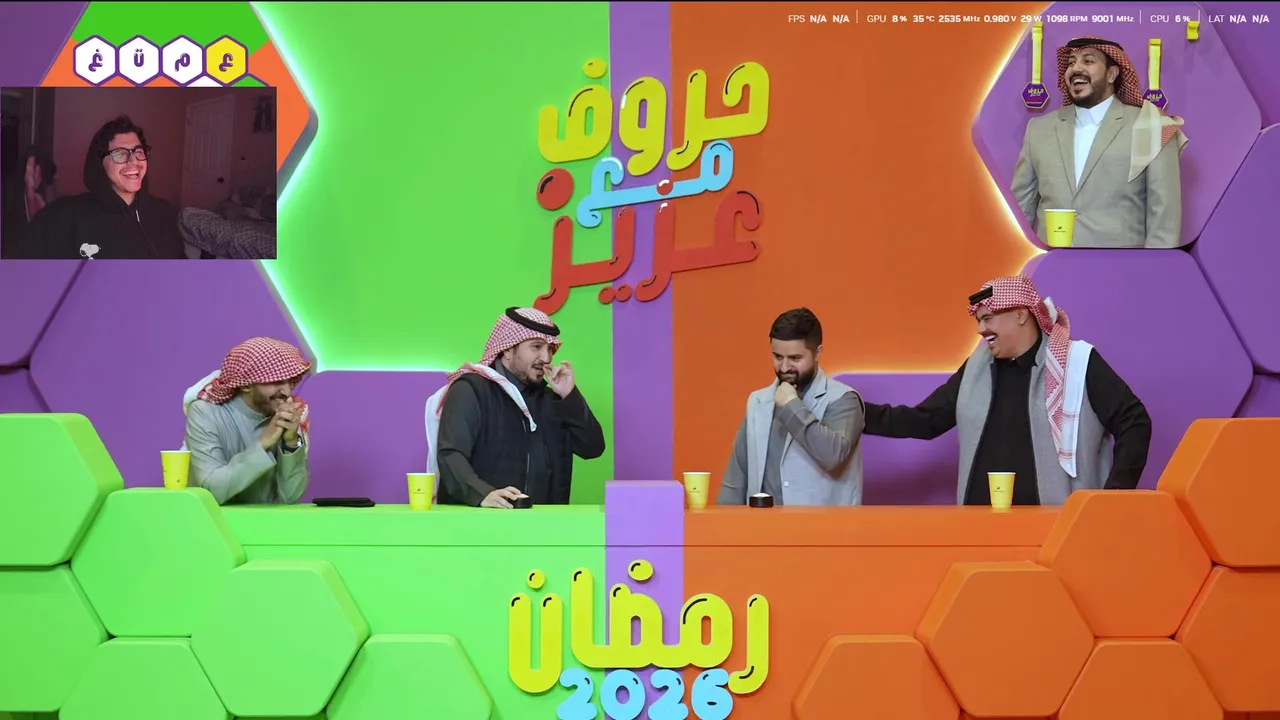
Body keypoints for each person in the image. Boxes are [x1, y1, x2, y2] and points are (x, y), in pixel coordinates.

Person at [862, 275, 1152, 506]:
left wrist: (1112, 498)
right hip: (980, 532)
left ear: (1020, 315)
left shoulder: (1076, 362)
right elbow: (926, 420)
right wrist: (855, 412)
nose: (980, 329)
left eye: (988, 318)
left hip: (1058, 532)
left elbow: (1134, 420)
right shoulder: (976, 368)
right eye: (978, 320)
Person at [1011, 37, 1189, 249]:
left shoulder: (1151, 125)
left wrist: (1152, 268)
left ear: (1111, 74)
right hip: (1051, 265)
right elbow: (1020, 211)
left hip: (1122, 267)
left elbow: (1164, 218)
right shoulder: (1039, 129)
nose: (1076, 68)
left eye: (1088, 61)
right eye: (1071, 62)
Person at [427, 307, 606, 508]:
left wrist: (569, 396)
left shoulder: (553, 400)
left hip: (546, 524)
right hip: (484, 521)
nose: (546, 358)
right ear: (507, 349)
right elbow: (451, 455)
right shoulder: (472, 390)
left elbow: (593, 448)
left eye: (549, 348)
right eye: (536, 347)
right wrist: (482, 494)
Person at [717, 308, 866, 506]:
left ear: (817, 353)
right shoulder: (758, 401)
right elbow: (736, 477)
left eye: (795, 358)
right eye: (778, 357)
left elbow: (832, 455)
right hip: (762, 523)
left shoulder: (844, 399)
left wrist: (791, 406)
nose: (785, 367)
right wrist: (724, 521)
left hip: (825, 525)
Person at [16, 115, 185, 259]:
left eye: (138, 152)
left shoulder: (164, 213)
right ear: (100, 163)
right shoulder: (65, 215)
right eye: (120, 154)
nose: (134, 161)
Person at [182, 337, 313, 505]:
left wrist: (291, 443)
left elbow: (291, 496)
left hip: (263, 520)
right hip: (209, 519)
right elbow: (211, 492)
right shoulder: (205, 413)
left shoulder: (288, 413)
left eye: (290, 381)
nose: (287, 392)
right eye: (277, 381)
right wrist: (263, 443)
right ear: (245, 385)